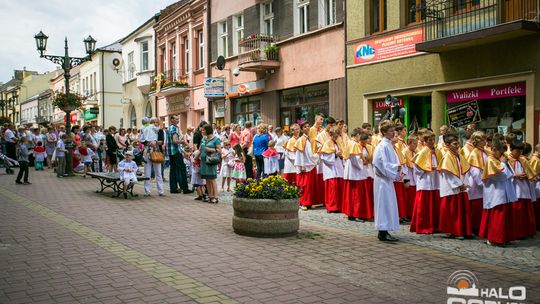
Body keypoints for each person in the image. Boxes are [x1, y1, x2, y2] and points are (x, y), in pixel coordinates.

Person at [479, 139, 518, 246]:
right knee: (498, 216)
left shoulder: (498, 160)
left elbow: (511, 174)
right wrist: (503, 163)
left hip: (503, 191)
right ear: (494, 149)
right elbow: (501, 176)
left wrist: (504, 163)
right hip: (496, 192)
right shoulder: (490, 160)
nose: (502, 155)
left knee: (505, 216)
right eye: (500, 153)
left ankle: (505, 237)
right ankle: (495, 238)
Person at [438, 132, 473, 238]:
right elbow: (448, 174)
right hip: (452, 189)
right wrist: (458, 185)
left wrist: (465, 183)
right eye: (454, 144)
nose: (457, 146)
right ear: (447, 145)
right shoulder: (447, 157)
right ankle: (455, 231)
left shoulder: (458, 155)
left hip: (460, 186)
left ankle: (463, 230)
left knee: (461, 211)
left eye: (458, 143)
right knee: (453, 212)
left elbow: (464, 170)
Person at [373, 120, 402, 242]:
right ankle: (383, 231)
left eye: (393, 131)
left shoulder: (388, 145)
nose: (393, 133)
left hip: (387, 179)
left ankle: (385, 230)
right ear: (384, 132)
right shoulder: (382, 146)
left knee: (388, 204)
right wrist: (395, 168)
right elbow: (379, 163)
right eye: (390, 131)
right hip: (382, 180)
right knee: (383, 204)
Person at [410, 130, 442, 234]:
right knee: (424, 206)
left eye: (433, 139)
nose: (432, 142)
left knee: (434, 205)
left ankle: (435, 226)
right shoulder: (422, 152)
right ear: (425, 141)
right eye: (430, 140)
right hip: (426, 181)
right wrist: (427, 168)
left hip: (435, 180)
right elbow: (417, 168)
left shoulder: (437, 151)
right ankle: (424, 226)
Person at [507, 141, 536, 239]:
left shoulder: (523, 160)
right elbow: (504, 174)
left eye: (521, 151)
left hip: (524, 188)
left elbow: (531, 174)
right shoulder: (507, 159)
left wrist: (528, 176)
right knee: (516, 212)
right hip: (514, 188)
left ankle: (525, 232)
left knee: (525, 213)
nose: (519, 153)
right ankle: (517, 233)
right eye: (517, 151)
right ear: (511, 149)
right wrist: (515, 175)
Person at [466, 131, 488, 235]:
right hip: (476, 184)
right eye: (482, 140)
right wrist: (482, 184)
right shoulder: (475, 153)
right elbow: (475, 172)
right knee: (476, 207)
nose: (484, 142)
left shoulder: (484, 152)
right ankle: (475, 227)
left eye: (485, 139)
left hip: (484, 182)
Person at [320, 127, 344, 213]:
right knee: (332, 189)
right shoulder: (327, 143)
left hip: (338, 167)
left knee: (338, 188)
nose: (336, 137)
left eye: (337, 135)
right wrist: (335, 155)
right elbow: (325, 157)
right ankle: (331, 206)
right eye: (335, 135)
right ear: (330, 135)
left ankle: (339, 206)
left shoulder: (336, 143)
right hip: (330, 169)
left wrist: (341, 156)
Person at [342, 128, 365, 221]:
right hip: (355, 171)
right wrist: (361, 165)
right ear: (357, 135)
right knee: (356, 195)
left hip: (349, 171)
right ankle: (356, 214)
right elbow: (355, 159)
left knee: (350, 194)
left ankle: (350, 213)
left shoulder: (348, 143)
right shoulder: (354, 144)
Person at [295, 121, 318, 210]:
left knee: (310, 185)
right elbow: (300, 154)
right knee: (305, 185)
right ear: (301, 129)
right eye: (305, 127)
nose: (307, 128)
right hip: (305, 165)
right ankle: (303, 202)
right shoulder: (301, 139)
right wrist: (302, 165)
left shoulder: (308, 139)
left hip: (310, 164)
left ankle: (310, 202)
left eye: (308, 126)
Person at [167, 115, 192, 194]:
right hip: (175, 151)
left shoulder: (169, 128)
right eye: (176, 119)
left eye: (178, 119)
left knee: (173, 170)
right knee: (182, 169)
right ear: (172, 120)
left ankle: (173, 188)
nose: (178, 120)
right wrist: (183, 142)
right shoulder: (174, 128)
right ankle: (185, 188)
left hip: (171, 152)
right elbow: (175, 141)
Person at [140, 117, 164, 196]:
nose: (155, 124)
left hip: (156, 152)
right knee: (147, 172)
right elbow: (142, 140)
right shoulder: (146, 129)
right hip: (147, 152)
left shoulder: (160, 131)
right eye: (153, 122)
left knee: (158, 173)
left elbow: (162, 141)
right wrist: (148, 142)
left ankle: (160, 191)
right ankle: (147, 191)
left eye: (157, 122)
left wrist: (155, 142)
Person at [200, 124, 222, 204]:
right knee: (207, 179)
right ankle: (210, 196)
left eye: (203, 130)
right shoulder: (203, 139)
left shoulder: (216, 139)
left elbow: (219, 151)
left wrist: (210, 149)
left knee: (212, 179)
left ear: (207, 130)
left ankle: (215, 197)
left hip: (211, 160)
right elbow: (200, 149)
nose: (202, 131)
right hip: (203, 160)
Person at [402, 134, 418, 220]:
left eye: (416, 143)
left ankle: (413, 213)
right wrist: (406, 179)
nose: (416, 145)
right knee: (408, 197)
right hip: (408, 176)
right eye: (414, 144)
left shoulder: (416, 152)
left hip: (415, 176)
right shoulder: (404, 152)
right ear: (409, 143)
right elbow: (404, 167)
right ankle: (407, 214)